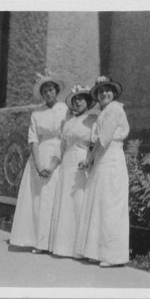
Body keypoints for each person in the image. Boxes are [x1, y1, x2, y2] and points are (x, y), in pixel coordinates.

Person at [9, 71, 68, 254]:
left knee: (53, 198)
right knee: (37, 199)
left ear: (56, 91)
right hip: (39, 155)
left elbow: (64, 138)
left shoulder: (65, 110)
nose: (48, 93)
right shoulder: (37, 113)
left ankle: (52, 243)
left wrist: (51, 166)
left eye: (51, 90)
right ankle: (37, 241)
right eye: (45, 91)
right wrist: (38, 164)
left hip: (57, 155)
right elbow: (33, 139)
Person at [75, 76, 130, 267]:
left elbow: (103, 139)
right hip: (103, 159)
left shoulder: (115, 109)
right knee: (99, 202)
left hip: (112, 158)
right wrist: (91, 161)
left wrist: (88, 159)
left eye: (107, 90)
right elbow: (97, 139)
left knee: (110, 204)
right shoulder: (103, 112)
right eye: (100, 91)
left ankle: (112, 255)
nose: (104, 93)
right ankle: (96, 251)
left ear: (113, 93)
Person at [48, 85, 99, 258]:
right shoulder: (68, 120)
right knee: (65, 202)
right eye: (75, 99)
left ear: (88, 101)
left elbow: (96, 145)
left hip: (81, 163)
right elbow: (61, 145)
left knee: (79, 201)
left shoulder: (93, 120)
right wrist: (53, 165)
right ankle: (62, 246)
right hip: (67, 164)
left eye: (81, 98)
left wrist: (89, 161)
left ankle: (79, 249)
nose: (77, 102)